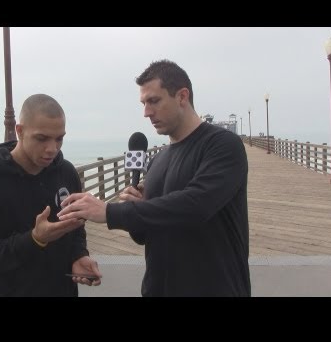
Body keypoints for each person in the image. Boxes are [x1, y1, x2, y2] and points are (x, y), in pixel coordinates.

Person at [58, 60, 251, 297]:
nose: (146, 112)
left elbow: (196, 206)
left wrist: (110, 212)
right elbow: (145, 235)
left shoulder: (222, 145)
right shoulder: (158, 160)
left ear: (182, 96)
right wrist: (135, 207)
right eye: (144, 103)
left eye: (154, 101)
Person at [0, 94, 101, 297]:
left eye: (59, 138)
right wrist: (35, 239)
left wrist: (78, 255)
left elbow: (75, 228)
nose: (52, 148)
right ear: (19, 131)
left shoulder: (66, 172)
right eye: (42, 138)